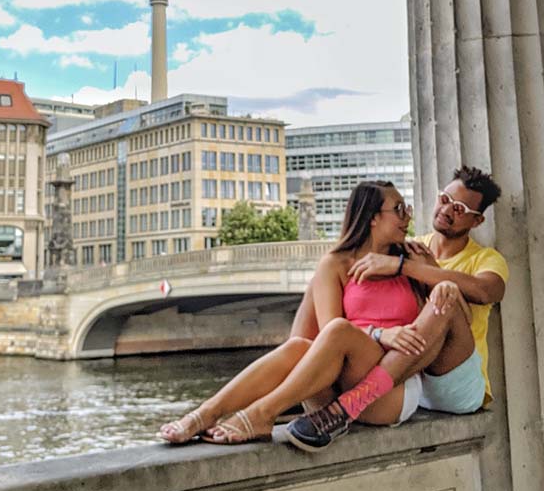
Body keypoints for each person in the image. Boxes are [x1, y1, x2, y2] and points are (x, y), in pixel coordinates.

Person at [158, 180, 450, 444]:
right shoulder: (335, 264)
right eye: (399, 209)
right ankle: (206, 413)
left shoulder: (411, 258)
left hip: (389, 393)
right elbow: (327, 337)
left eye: (407, 208)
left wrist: (417, 267)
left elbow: (449, 301)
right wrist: (380, 333)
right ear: (372, 217)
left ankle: (262, 413)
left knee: (337, 330)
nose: (407, 216)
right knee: (302, 345)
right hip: (334, 393)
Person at [283, 165, 506, 450]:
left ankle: (345, 408)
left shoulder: (484, 258)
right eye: (445, 199)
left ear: (477, 221)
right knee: (319, 281)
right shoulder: (411, 246)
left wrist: (406, 267)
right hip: (407, 376)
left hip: (451, 378)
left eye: (460, 209)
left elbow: (486, 291)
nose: (448, 210)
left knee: (445, 294)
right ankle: (295, 394)